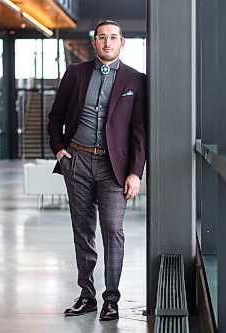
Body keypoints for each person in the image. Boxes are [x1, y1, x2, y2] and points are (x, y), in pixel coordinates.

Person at [47, 20, 146, 321]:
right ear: (94, 42)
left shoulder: (135, 80)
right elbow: (56, 116)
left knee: (113, 230)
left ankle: (111, 299)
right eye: (102, 37)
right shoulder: (75, 74)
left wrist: (135, 172)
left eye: (112, 38)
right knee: (83, 230)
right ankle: (87, 296)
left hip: (113, 167)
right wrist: (60, 151)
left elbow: (140, 129)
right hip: (76, 161)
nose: (107, 42)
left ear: (122, 42)